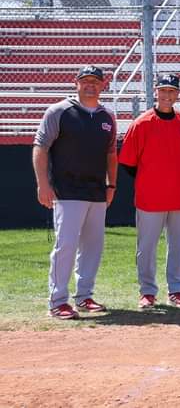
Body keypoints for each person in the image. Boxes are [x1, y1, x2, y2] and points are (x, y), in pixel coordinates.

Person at [33, 66, 117, 319]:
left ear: (103, 85)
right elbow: (41, 147)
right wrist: (43, 184)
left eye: (95, 81)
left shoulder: (107, 116)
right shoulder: (59, 111)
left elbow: (111, 154)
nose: (90, 85)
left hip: (96, 191)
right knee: (65, 246)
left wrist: (111, 185)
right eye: (85, 81)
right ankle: (57, 301)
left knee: (93, 247)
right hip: (66, 190)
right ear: (76, 83)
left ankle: (84, 296)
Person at [118, 74, 180, 309]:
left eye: (172, 91)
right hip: (150, 199)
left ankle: (176, 290)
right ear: (155, 92)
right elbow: (128, 163)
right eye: (163, 91)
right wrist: (151, 180)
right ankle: (147, 291)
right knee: (147, 248)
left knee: (178, 247)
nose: (167, 95)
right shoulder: (142, 123)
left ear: (178, 94)